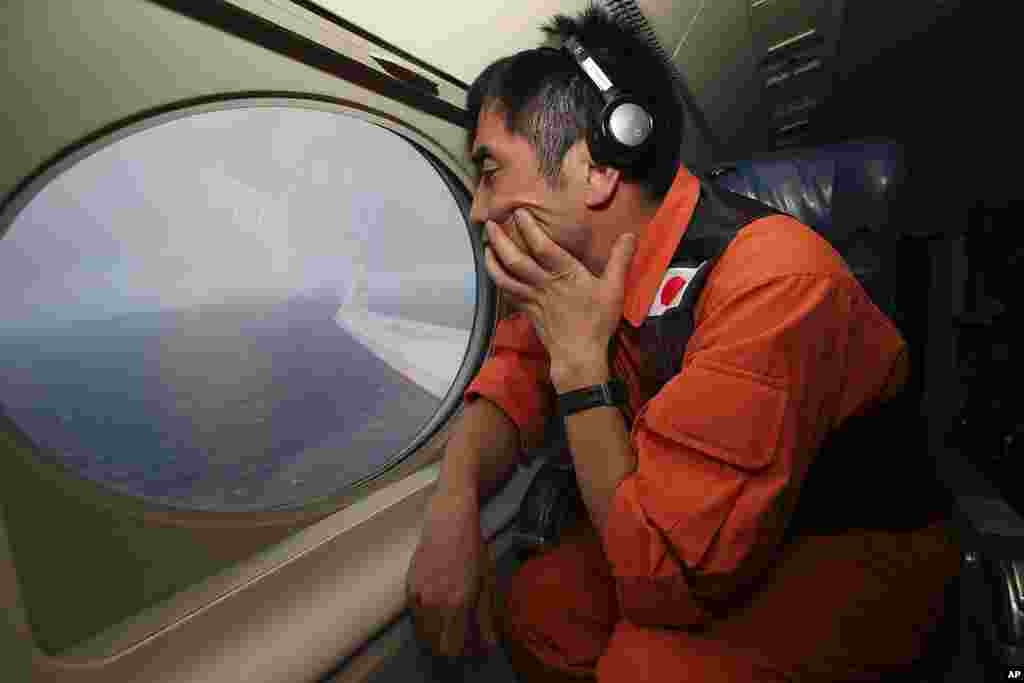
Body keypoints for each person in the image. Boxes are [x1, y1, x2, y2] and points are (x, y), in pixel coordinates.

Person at [405, 5, 960, 682]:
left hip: (853, 544)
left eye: (490, 171)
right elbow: (511, 378)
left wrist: (582, 366)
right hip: (685, 521)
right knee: (535, 609)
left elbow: (665, 582)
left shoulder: (773, 281)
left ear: (595, 168)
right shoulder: (574, 278)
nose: (478, 210)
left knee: (645, 669)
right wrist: (455, 497)